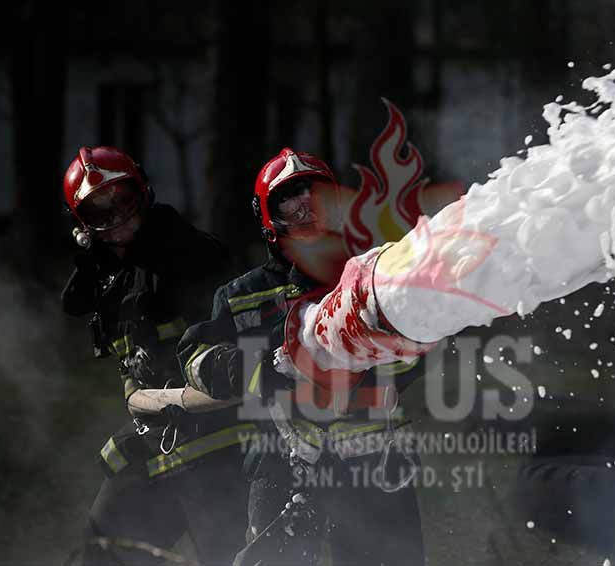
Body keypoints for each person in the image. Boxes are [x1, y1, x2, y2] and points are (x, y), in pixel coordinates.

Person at [177, 148, 427, 566]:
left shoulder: (369, 277)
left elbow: (420, 346)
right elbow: (193, 353)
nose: (306, 212)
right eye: (290, 205)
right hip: (278, 465)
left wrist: (367, 372)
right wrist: (250, 369)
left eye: (316, 199)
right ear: (269, 218)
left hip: (372, 466)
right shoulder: (241, 296)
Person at [61, 146, 251, 565]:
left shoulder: (191, 256)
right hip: (158, 445)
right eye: (99, 212)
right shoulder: (111, 276)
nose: (117, 218)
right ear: (83, 225)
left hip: (220, 448)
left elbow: (235, 361)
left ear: (143, 191)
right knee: (102, 551)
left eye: (122, 201)